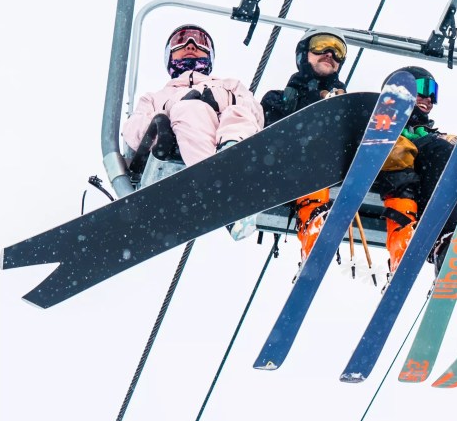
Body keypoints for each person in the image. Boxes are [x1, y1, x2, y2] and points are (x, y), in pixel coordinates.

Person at [259, 27, 348, 258]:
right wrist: (314, 101)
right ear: (303, 54)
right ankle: (315, 230)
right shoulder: (276, 98)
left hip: (327, 169)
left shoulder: (347, 105)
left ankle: (315, 239)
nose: (330, 53)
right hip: (286, 166)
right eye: (321, 45)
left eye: (338, 50)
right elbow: (267, 136)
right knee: (315, 151)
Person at [122, 24, 263, 167]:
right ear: (169, 55)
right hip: (176, 154)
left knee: (236, 111)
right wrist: (169, 116)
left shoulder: (230, 85)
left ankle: (232, 152)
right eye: (180, 41)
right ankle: (213, 169)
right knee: (189, 109)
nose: (190, 46)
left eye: (201, 42)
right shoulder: (153, 98)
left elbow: (255, 114)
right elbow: (133, 130)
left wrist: (222, 100)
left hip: (228, 139)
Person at [373, 66, 457, 272]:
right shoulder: (381, 127)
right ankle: (442, 237)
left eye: (433, 92)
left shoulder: (433, 136)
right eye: (422, 88)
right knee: (440, 149)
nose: (428, 98)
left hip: (429, 170)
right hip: (403, 180)